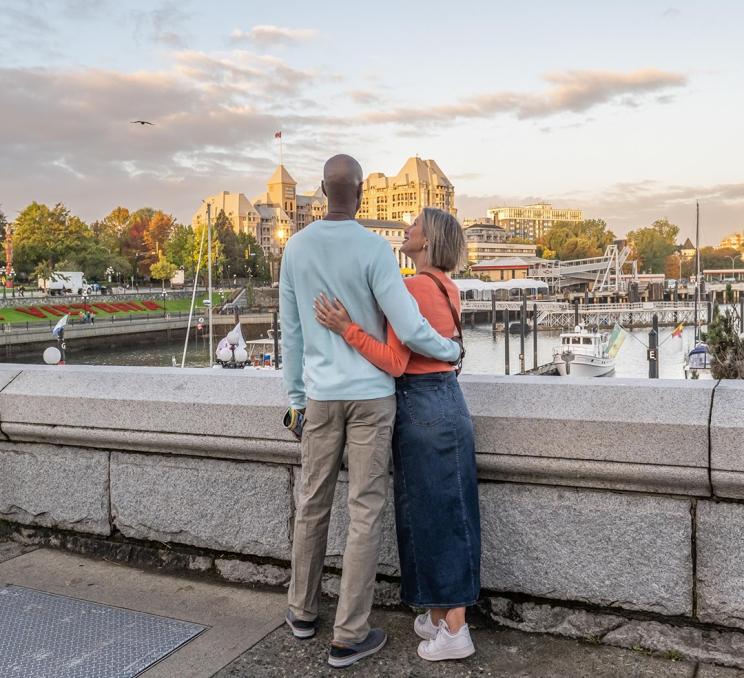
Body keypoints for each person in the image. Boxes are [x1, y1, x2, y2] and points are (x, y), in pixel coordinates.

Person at [280, 155, 461, 669]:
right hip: (371, 397)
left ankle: (301, 612)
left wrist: (296, 401)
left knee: (311, 503)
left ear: (320, 191)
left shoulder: (296, 247)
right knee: (364, 511)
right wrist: (450, 350)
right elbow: (407, 327)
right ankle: (349, 633)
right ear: (359, 194)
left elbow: (290, 333)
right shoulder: (374, 249)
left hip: (319, 396)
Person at [314, 207, 480, 662]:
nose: (405, 230)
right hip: (447, 401)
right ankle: (440, 615)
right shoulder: (447, 287)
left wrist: (345, 328)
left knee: (435, 517)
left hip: (422, 403)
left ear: (425, 243)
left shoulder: (412, 289)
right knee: (443, 509)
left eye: (413, 227)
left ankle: (456, 630)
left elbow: (394, 362)